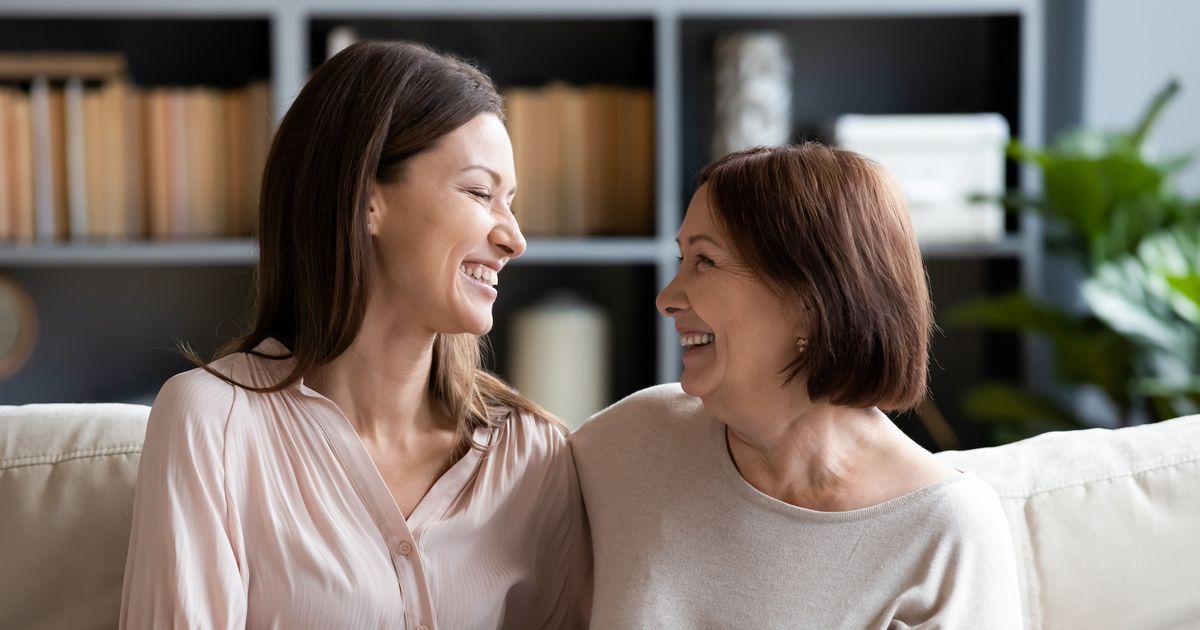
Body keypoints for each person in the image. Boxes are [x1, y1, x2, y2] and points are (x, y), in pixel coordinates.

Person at [120, 41, 590, 629]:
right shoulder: (213, 425)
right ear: (367, 200)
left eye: (511, 203)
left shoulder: (532, 456)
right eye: (479, 193)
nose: (514, 238)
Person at [571, 143, 1021, 628]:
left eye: (705, 261)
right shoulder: (633, 440)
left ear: (811, 300)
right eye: (682, 259)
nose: (667, 298)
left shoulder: (945, 530)